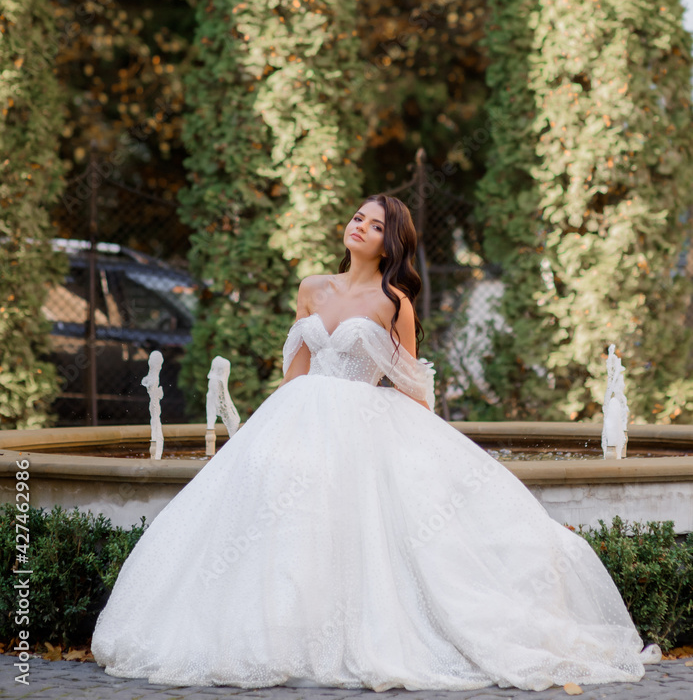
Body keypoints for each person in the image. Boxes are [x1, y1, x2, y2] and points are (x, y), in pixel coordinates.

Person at [91, 193, 659, 691]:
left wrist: (428, 460)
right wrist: (270, 433)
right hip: (298, 415)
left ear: (391, 246)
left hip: (364, 423)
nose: (359, 226)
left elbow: (411, 386)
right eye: (357, 217)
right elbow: (297, 373)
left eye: (375, 225)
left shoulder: (395, 303)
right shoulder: (312, 288)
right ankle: (272, 629)